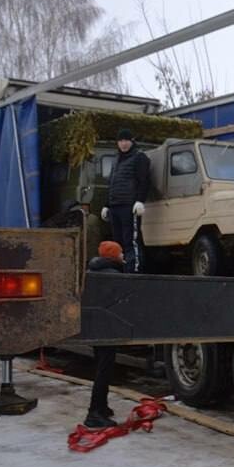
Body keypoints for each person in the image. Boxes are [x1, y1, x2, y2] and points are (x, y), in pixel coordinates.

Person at [84, 241, 125, 428]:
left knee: (101, 368)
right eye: (120, 253)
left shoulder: (92, 271)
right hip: (107, 328)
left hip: (96, 327)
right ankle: (95, 413)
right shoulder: (114, 276)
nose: (123, 256)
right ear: (114, 256)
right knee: (104, 371)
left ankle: (102, 406)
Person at [101, 128, 150, 273]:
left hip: (129, 206)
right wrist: (107, 204)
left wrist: (140, 201)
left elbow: (144, 181)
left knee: (131, 241)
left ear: (132, 141)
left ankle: (134, 272)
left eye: (126, 140)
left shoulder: (139, 157)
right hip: (115, 206)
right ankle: (121, 272)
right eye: (120, 141)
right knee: (117, 242)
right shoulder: (116, 159)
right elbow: (112, 183)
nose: (123, 144)